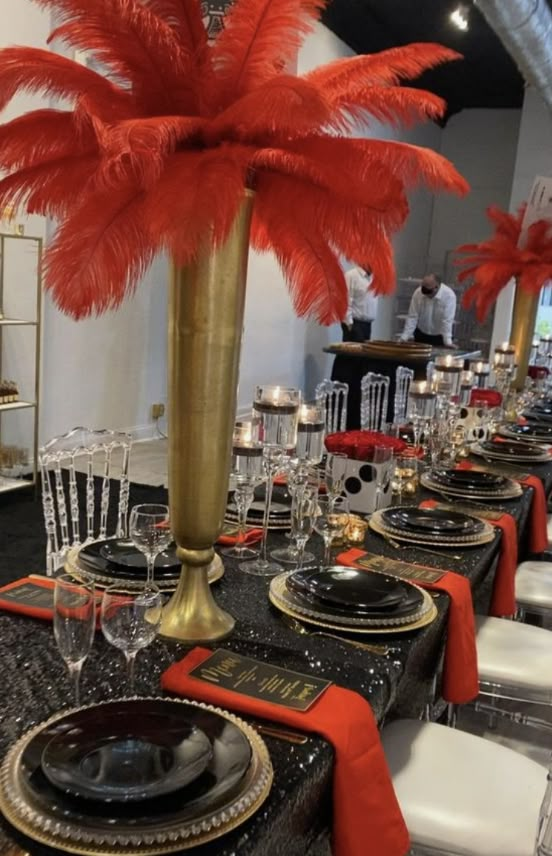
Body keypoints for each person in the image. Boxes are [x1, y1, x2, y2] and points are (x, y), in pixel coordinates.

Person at [400, 273, 457, 348]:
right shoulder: (418, 293)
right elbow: (412, 316)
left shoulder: (449, 296)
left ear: (436, 287)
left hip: (440, 336)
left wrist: (447, 342)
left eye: (427, 289)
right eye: (423, 287)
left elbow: (447, 320)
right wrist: (404, 337)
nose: (424, 291)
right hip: (421, 333)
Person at [342, 266, 378, 342]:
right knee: (351, 353)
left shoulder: (373, 278)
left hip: (367, 324)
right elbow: (345, 300)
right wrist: (349, 324)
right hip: (355, 323)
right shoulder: (351, 276)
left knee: (363, 352)